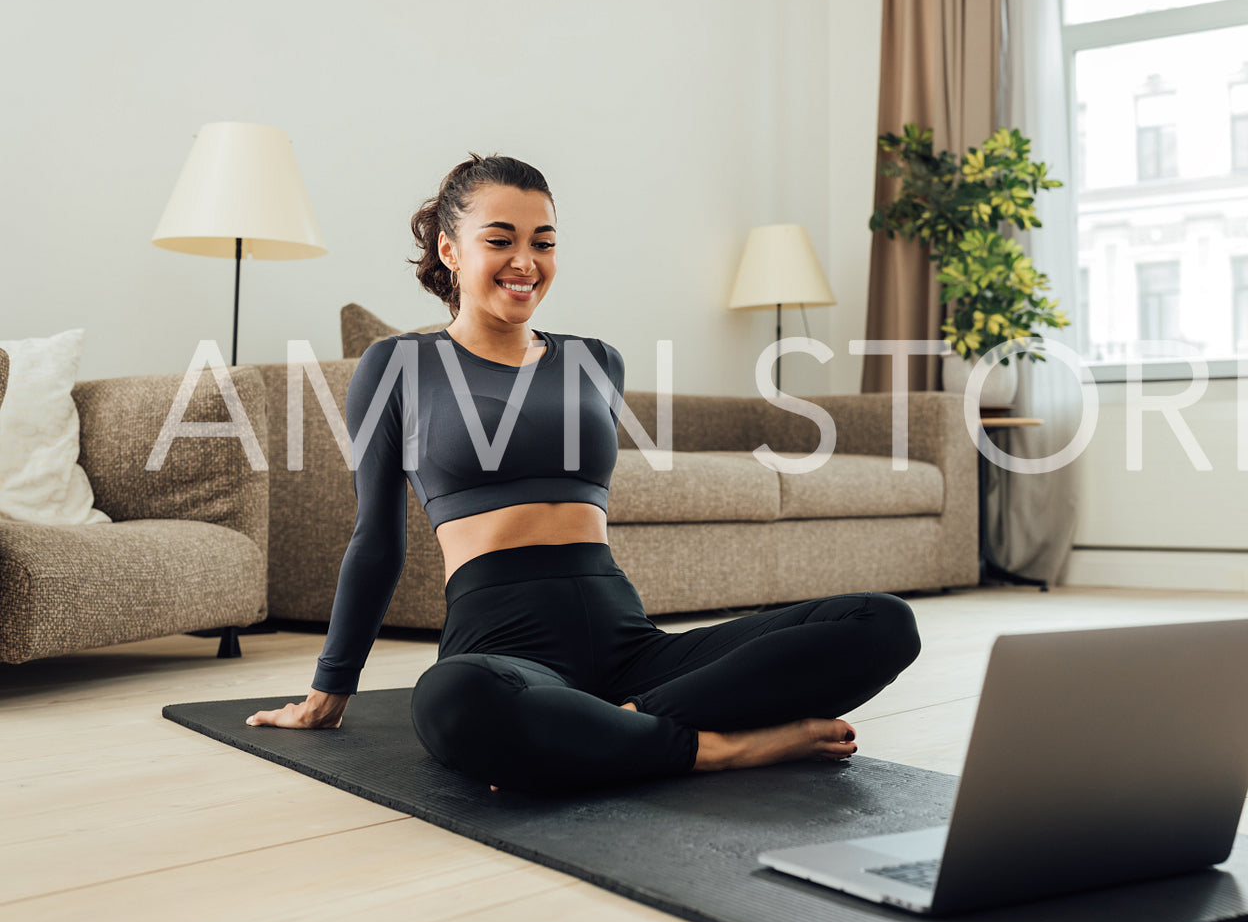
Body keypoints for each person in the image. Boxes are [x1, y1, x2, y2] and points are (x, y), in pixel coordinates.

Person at [246, 153, 923, 793]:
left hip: (627, 641)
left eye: (543, 242)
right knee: (456, 697)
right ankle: (721, 746)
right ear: (450, 251)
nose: (526, 261)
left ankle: (614, 727)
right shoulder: (395, 364)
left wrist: (611, 711)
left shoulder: (596, 360)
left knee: (882, 622)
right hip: (502, 645)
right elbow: (376, 539)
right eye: (501, 240)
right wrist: (327, 692)